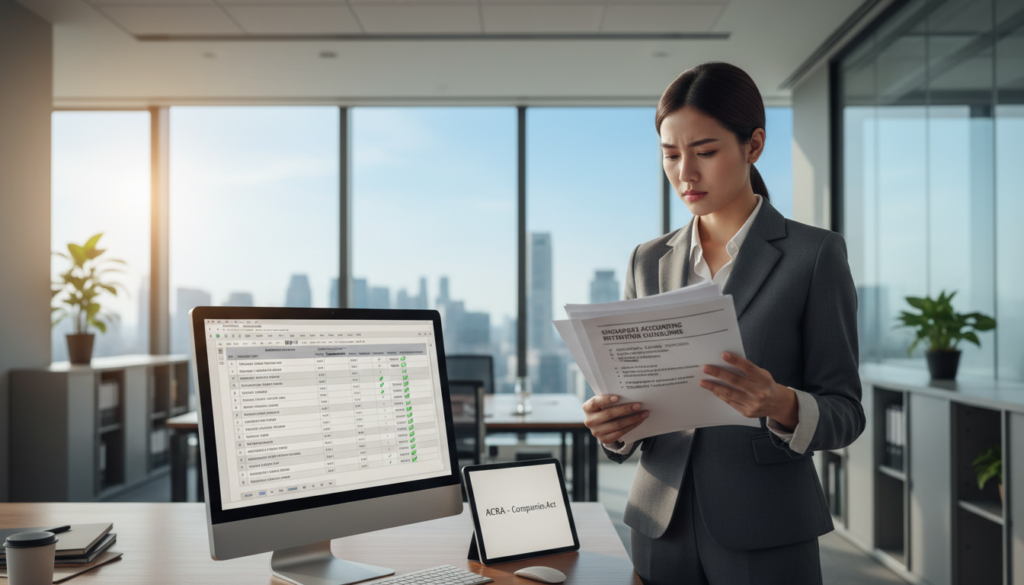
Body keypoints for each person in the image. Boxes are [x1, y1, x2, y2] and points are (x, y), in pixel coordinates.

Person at [582, 62, 864, 585]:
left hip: (767, 525)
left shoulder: (814, 255)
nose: (685, 173)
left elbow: (846, 410)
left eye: (705, 152)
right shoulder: (647, 260)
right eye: (670, 155)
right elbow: (629, 395)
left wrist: (781, 402)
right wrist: (612, 430)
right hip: (657, 524)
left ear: (753, 145)